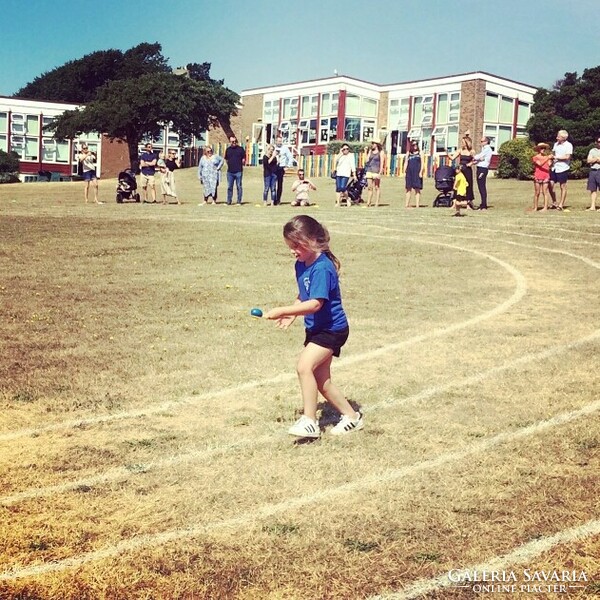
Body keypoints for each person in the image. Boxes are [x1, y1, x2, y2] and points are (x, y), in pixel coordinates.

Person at [264, 215, 363, 438]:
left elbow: (316, 304)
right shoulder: (301, 264)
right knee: (322, 381)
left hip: (332, 329)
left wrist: (283, 310)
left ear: (311, 240)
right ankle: (352, 417)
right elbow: (305, 295)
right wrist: (293, 313)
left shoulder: (323, 268)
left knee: (303, 367)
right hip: (316, 329)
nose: (292, 251)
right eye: (290, 246)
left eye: (296, 245)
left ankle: (309, 421)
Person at [549, 129, 573, 211]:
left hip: (563, 168)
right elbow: (553, 154)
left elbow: (568, 157)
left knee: (562, 186)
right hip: (554, 167)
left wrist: (557, 158)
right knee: (550, 184)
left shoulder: (568, 145)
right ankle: (554, 202)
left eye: (558, 136)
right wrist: (550, 160)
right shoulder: (556, 144)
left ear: (563, 137)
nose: (557, 138)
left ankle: (561, 204)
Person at [448, 132, 475, 204]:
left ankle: (468, 202)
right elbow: (452, 158)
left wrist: (471, 163)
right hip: (461, 170)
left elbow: (475, 160)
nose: (462, 144)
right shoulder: (460, 150)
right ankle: (456, 201)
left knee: (468, 185)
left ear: (467, 143)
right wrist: (447, 153)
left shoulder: (471, 151)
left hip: (468, 170)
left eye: (463, 142)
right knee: (458, 184)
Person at [471, 136, 493, 210]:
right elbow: (480, 158)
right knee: (480, 187)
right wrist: (478, 160)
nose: (481, 143)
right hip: (480, 168)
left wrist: (473, 155)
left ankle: (484, 205)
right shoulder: (484, 149)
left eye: (482, 141)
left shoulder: (487, 149)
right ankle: (482, 204)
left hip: (483, 169)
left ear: (486, 142)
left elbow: (479, 157)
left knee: (482, 186)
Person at [224, 136, 246, 205]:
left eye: (234, 141)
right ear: (230, 142)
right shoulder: (228, 150)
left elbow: (243, 159)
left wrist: (241, 164)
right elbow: (226, 159)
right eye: (232, 141)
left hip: (238, 171)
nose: (233, 143)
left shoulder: (241, 149)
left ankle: (239, 201)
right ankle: (229, 201)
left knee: (239, 186)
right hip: (230, 172)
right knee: (229, 187)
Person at [403, 140, 425, 208]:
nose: (415, 145)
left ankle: (417, 205)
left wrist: (421, 172)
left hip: (417, 172)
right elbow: (406, 162)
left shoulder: (420, 153)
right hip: (409, 172)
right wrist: (404, 171)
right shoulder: (408, 153)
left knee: (417, 189)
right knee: (408, 188)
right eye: (413, 144)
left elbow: (422, 163)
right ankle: (407, 204)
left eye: (416, 144)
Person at [531, 143, 552, 212]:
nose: (543, 149)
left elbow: (549, 165)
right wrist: (547, 158)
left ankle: (545, 207)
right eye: (541, 148)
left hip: (545, 175)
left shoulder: (547, 157)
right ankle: (535, 207)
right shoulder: (535, 157)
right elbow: (540, 164)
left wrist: (552, 160)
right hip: (538, 175)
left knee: (545, 192)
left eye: (544, 148)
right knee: (537, 192)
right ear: (538, 149)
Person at [274, 135, 294, 205]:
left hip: (281, 167)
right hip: (274, 167)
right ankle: (273, 199)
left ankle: (278, 200)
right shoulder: (273, 148)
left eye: (281, 141)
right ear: (275, 141)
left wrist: (288, 166)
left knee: (279, 185)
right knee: (273, 184)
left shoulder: (285, 148)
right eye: (278, 141)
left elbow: (290, 157)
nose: (280, 142)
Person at [364, 141, 385, 207]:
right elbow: (366, 161)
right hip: (369, 170)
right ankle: (368, 202)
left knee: (377, 187)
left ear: (377, 144)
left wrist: (380, 172)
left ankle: (376, 202)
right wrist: (365, 152)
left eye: (373, 143)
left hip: (376, 171)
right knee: (370, 187)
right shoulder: (370, 151)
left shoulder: (381, 152)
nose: (372, 145)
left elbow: (382, 162)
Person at [586, 136, 600, 211]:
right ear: (596, 142)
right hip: (593, 171)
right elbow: (588, 161)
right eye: (598, 142)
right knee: (593, 189)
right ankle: (593, 206)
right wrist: (596, 159)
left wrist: (594, 159)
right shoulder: (592, 150)